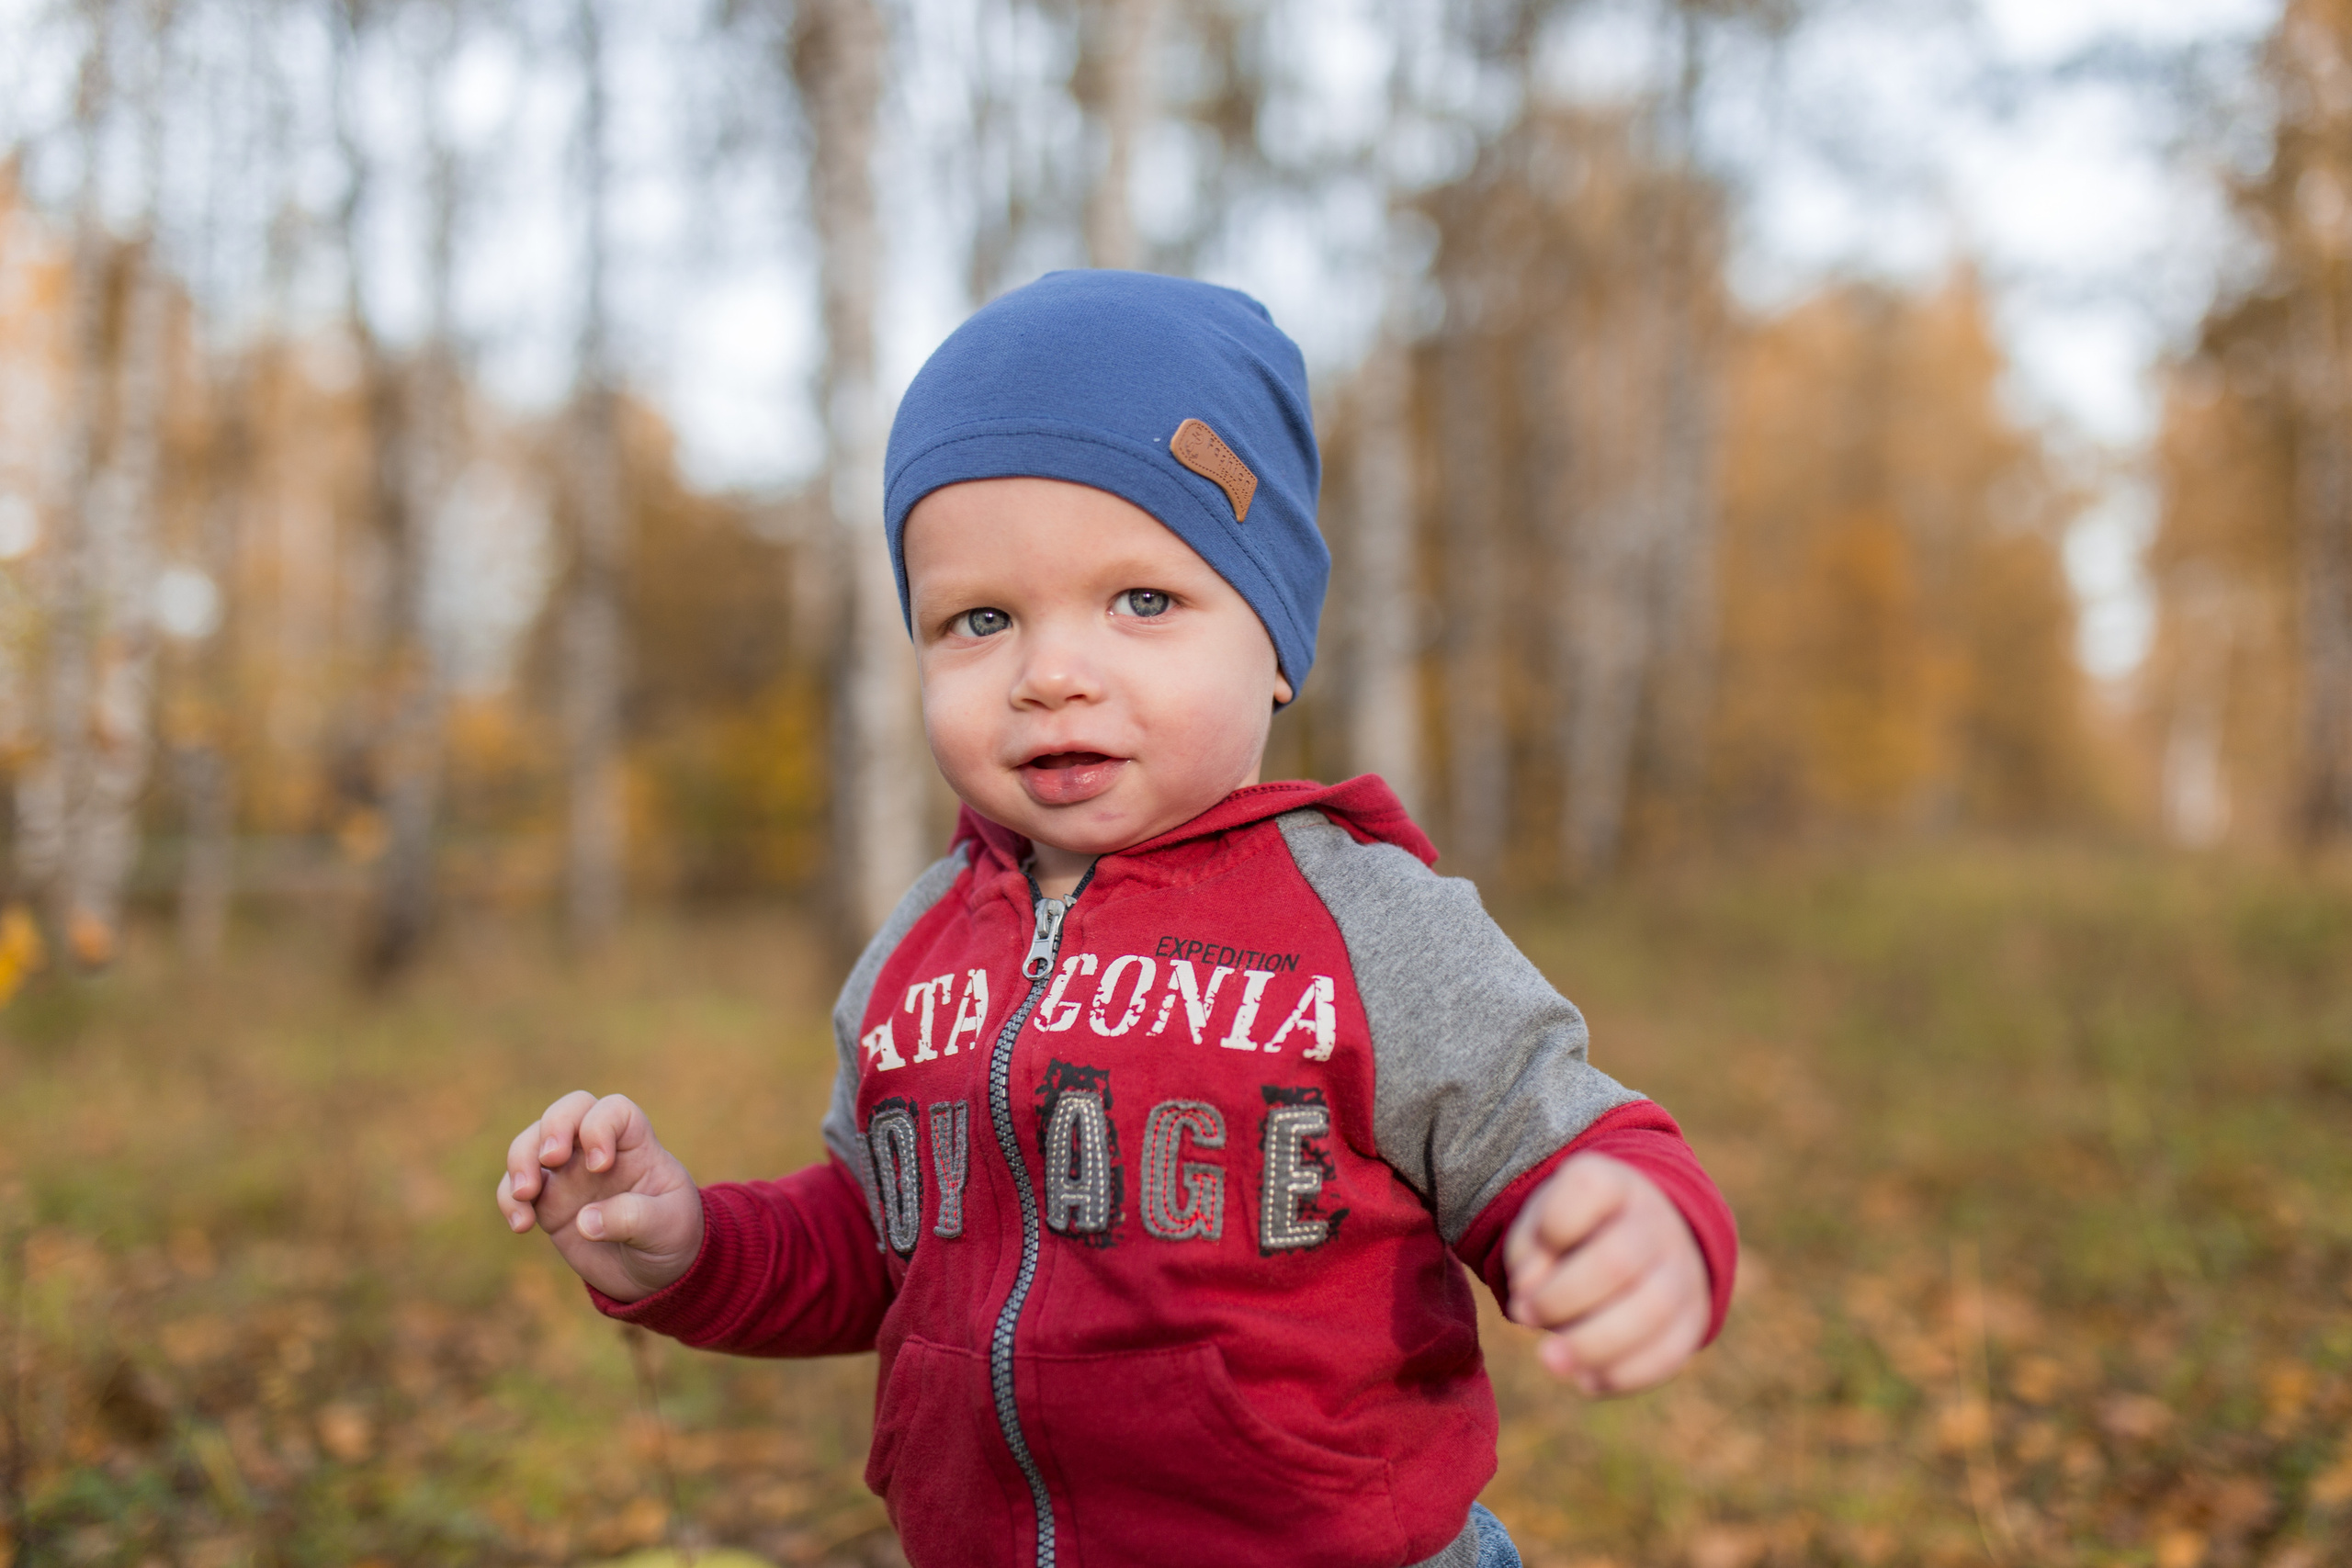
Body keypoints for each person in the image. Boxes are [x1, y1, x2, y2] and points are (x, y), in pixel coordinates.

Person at [495, 269, 1737, 1568]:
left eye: (1142, 601)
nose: (1052, 674)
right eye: (980, 620)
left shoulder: (1367, 920)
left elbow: (1557, 1133)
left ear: (1271, 641)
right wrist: (687, 1247)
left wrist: (1639, 1222)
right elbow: (877, 1245)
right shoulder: (917, 952)